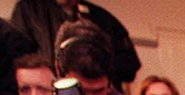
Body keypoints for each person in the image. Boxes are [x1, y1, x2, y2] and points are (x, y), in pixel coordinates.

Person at [9, 0, 140, 86]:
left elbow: (130, 67)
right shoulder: (28, 10)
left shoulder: (104, 19)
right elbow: (17, 60)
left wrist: (97, 68)